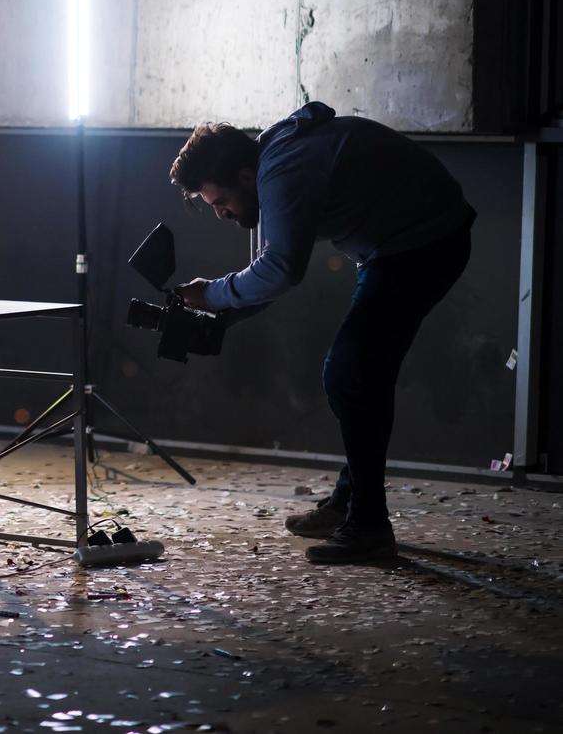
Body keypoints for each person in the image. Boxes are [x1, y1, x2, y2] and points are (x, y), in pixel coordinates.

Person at [169, 101, 474, 564]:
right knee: (361, 375)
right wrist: (223, 317)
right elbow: (271, 272)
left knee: (350, 374)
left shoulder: (283, 170)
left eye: (220, 202)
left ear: (244, 177)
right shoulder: (274, 164)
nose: (222, 214)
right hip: (400, 246)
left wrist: (211, 295)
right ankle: (350, 504)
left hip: (423, 243)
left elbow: (280, 270)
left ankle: (369, 526)